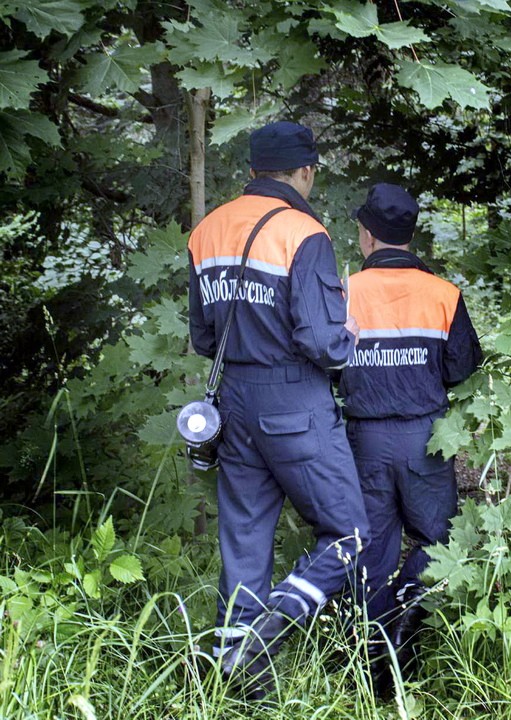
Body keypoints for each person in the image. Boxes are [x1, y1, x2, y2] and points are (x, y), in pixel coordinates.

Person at [186, 121, 369, 697]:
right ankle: (277, 622)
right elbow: (320, 339)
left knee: (244, 544)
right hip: (295, 400)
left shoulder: (207, 229)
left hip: (232, 402)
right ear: (306, 171)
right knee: (351, 535)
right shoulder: (302, 231)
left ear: (252, 170)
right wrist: (350, 337)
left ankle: (238, 683)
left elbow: (202, 335)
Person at [338, 183, 483, 690]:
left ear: (367, 235)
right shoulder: (444, 294)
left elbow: (325, 361)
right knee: (439, 540)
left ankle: (372, 663)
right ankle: (405, 623)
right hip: (426, 438)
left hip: (364, 441)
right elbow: (462, 366)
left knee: (371, 550)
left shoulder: (345, 291)